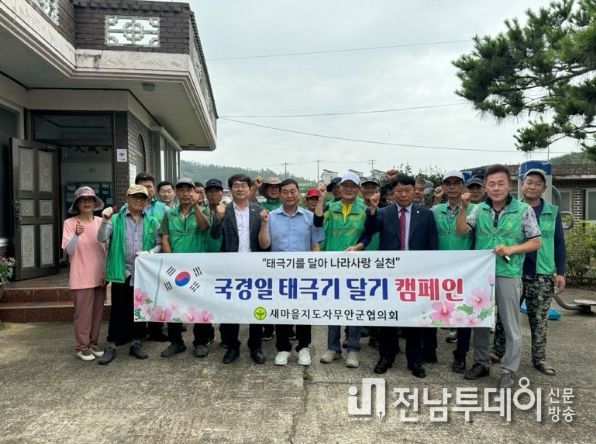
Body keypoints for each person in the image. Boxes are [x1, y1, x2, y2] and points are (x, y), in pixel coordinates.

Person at [456, 164, 542, 388]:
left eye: (500, 183)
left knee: (511, 324)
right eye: (491, 184)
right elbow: (462, 230)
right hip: (482, 275)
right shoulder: (478, 210)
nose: (495, 188)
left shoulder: (523, 210)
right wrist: (463, 208)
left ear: (509, 185)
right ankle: (481, 362)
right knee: (480, 321)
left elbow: (536, 241)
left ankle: (509, 369)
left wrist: (512, 249)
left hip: (508, 274)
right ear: (485, 187)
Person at [493, 168, 565, 376]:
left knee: (539, 318)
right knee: (504, 316)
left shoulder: (552, 211)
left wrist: (561, 272)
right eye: (529, 182)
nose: (533, 186)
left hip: (541, 273)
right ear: (522, 185)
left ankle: (539, 357)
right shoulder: (511, 209)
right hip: (513, 270)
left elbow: (559, 243)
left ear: (544, 188)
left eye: (538, 184)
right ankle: (497, 351)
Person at [366, 175, 438, 378]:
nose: (404, 194)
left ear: (415, 191)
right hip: (389, 274)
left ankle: (414, 360)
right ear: (393, 193)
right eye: (399, 191)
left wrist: (432, 271)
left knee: (414, 320)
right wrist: (372, 209)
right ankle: (386, 357)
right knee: (388, 318)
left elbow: (432, 245)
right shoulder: (383, 212)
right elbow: (370, 229)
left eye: (408, 190)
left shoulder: (426, 214)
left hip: (416, 275)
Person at [258, 179, 324, 366]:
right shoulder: (270, 217)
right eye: (285, 192)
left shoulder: (309, 217)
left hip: (303, 272)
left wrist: (315, 266)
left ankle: (303, 347)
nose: (289, 195)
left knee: (303, 310)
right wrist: (263, 224)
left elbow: (315, 244)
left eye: (293, 191)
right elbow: (264, 244)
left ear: (298, 193)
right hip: (279, 273)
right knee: (281, 310)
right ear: (280, 195)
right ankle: (283, 348)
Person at [96, 184, 162, 365]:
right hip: (121, 270)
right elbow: (101, 238)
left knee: (139, 308)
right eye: (135, 196)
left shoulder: (152, 221)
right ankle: (112, 344)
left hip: (142, 273)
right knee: (118, 308)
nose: (139, 200)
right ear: (127, 198)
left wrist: (149, 253)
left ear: (147, 201)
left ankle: (136, 342)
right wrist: (104, 220)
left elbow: (159, 244)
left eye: (142, 197)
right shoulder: (115, 219)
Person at [210, 174, 269, 364]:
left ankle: (256, 347)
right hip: (230, 267)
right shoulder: (224, 210)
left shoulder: (259, 211)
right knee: (230, 308)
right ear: (231, 189)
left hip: (255, 267)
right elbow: (214, 236)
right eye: (236, 185)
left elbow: (265, 242)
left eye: (244, 185)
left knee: (256, 308)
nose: (240, 189)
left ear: (249, 189)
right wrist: (218, 217)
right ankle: (232, 347)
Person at [316, 172, 369, 369]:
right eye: (345, 185)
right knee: (333, 307)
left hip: (356, 267)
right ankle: (333, 348)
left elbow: (369, 235)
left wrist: (358, 247)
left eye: (352, 186)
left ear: (358, 189)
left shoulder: (365, 210)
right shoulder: (330, 207)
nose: (348, 189)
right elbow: (317, 223)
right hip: (332, 266)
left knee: (355, 308)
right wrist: (321, 199)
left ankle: (353, 349)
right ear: (339, 188)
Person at [159, 178, 212, 359]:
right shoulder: (169, 214)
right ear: (176, 193)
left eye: (189, 190)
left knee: (200, 303)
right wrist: (171, 261)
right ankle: (176, 342)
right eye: (181, 190)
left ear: (194, 192)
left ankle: (201, 342)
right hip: (176, 268)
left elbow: (204, 227)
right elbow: (165, 239)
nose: (185, 193)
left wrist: (196, 207)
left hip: (198, 267)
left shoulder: (204, 210)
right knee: (173, 304)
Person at [431, 171, 475, 373]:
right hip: (439, 268)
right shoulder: (435, 210)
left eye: (456, 183)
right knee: (434, 310)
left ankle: (460, 355)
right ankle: (429, 350)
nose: (452, 186)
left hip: (466, 270)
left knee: (464, 313)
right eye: (448, 183)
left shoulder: (476, 210)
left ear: (463, 186)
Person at [61, 186, 107, 361]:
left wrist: (106, 271)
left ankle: (92, 344)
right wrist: (76, 235)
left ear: (95, 203)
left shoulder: (101, 222)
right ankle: (82, 347)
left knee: (97, 313)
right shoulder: (70, 223)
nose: (87, 202)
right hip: (81, 276)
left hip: (100, 274)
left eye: (90, 199)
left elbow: (107, 249)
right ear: (77, 204)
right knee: (83, 315)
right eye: (83, 200)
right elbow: (69, 250)